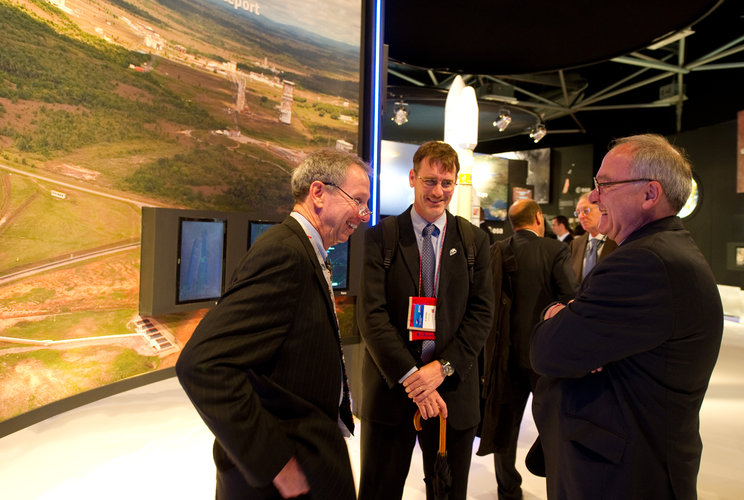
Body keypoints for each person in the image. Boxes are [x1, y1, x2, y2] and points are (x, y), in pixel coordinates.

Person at [530, 134, 723, 499]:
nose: (595, 196)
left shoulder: (644, 262)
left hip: (620, 475)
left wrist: (558, 316)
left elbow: (548, 352)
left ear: (650, 194)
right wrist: (568, 319)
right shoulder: (660, 252)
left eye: (605, 185)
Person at [176, 149, 371, 500]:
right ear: (318, 193)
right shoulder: (285, 254)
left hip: (305, 456)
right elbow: (202, 364)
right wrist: (276, 462)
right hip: (280, 476)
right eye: (357, 200)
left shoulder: (305, 251)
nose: (363, 214)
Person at [357, 140, 494, 500]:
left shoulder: (474, 241)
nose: (438, 191)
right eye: (430, 181)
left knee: (447, 492)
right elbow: (371, 316)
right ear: (412, 178)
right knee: (378, 490)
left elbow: (482, 314)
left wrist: (442, 368)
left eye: (446, 183)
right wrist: (413, 378)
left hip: (451, 395)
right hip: (391, 392)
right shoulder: (381, 238)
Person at [477, 199, 577, 500]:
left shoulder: (497, 250)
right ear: (537, 218)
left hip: (504, 356)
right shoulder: (555, 250)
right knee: (552, 426)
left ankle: (508, 490)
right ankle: (556, 489)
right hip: (544, 357)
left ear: (511, 223)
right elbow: (571, 297)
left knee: (505, 426)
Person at [570, 193, 617, 283]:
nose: (581, 216)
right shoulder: (575, 244)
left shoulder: (618, 241)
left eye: (586, 210)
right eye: (578, 213)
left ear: (602, 209)